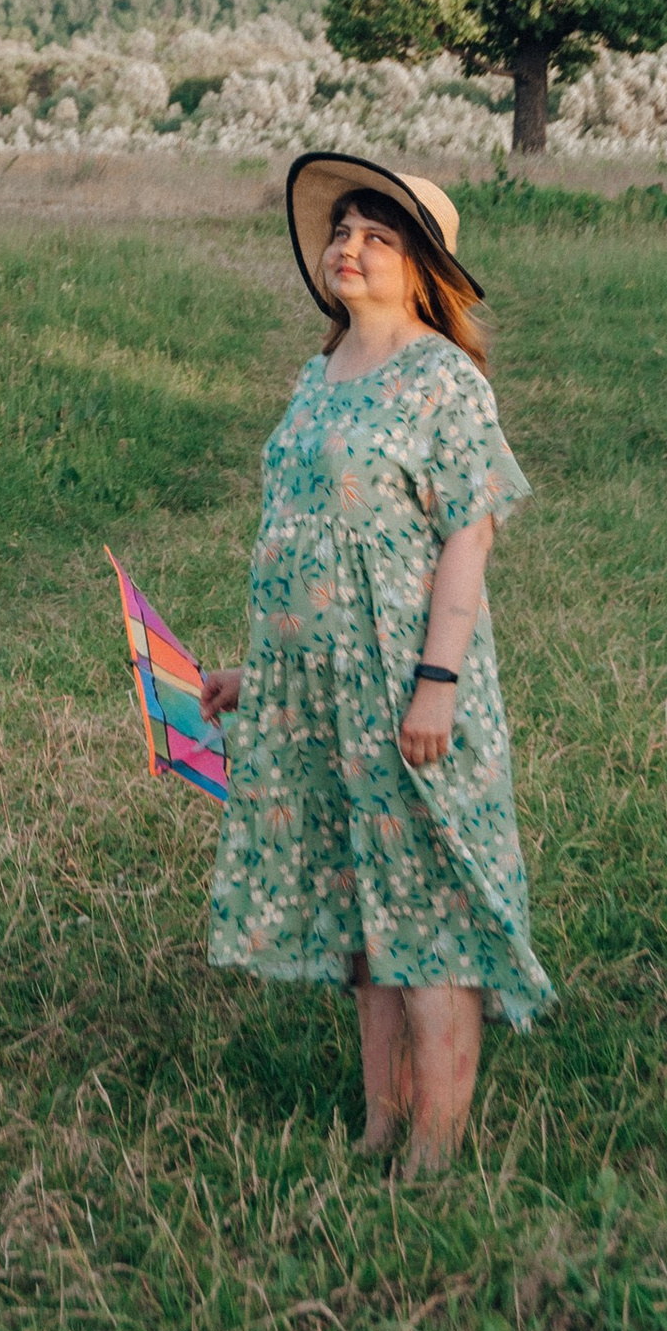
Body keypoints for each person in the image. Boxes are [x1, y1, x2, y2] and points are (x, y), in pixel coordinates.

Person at [202, 154, 551, 1177]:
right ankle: (378, 1119)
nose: (348, 245)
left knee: (429, 904)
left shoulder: (443, 376)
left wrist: (435, 679)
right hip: (315, 688)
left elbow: (466, 537)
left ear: (421, 270)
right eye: (342, 229)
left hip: (406, 679)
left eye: (378, 236)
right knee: (363, 909)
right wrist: (251, 674)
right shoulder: (317, 376)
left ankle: (436, 1145)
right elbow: (309, 533)